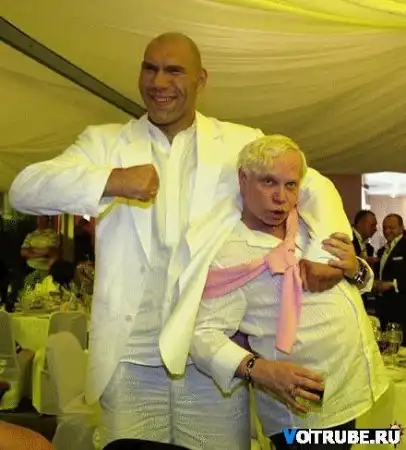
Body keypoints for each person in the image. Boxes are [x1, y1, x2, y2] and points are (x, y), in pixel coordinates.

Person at [9, 32, 360, 449]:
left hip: (211, 363)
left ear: (200, 79)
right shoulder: (106, 142)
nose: (159, 82)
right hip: (129, 357)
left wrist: (323, 254)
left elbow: (313, 185)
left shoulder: (238, 141)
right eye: (150, 69)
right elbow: (25, 189)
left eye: (174, 71)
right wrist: (113, 179)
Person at [190, 135, 387, 450]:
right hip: (304, 410)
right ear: (243, 179)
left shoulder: (310, 221)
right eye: (268, 182)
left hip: (355, 384)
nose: (281, 197)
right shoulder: (229, 254)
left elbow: (358, 284)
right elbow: (202, 334)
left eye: (291, 185)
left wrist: (355, 269)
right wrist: (260, 370)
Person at [374, 213, 406, 339]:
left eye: (392, 227)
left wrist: (392, 284)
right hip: (384, 306)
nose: (387, 231)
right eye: (384, 228)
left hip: (402, 307)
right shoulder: (382, 251)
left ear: (402, 228)